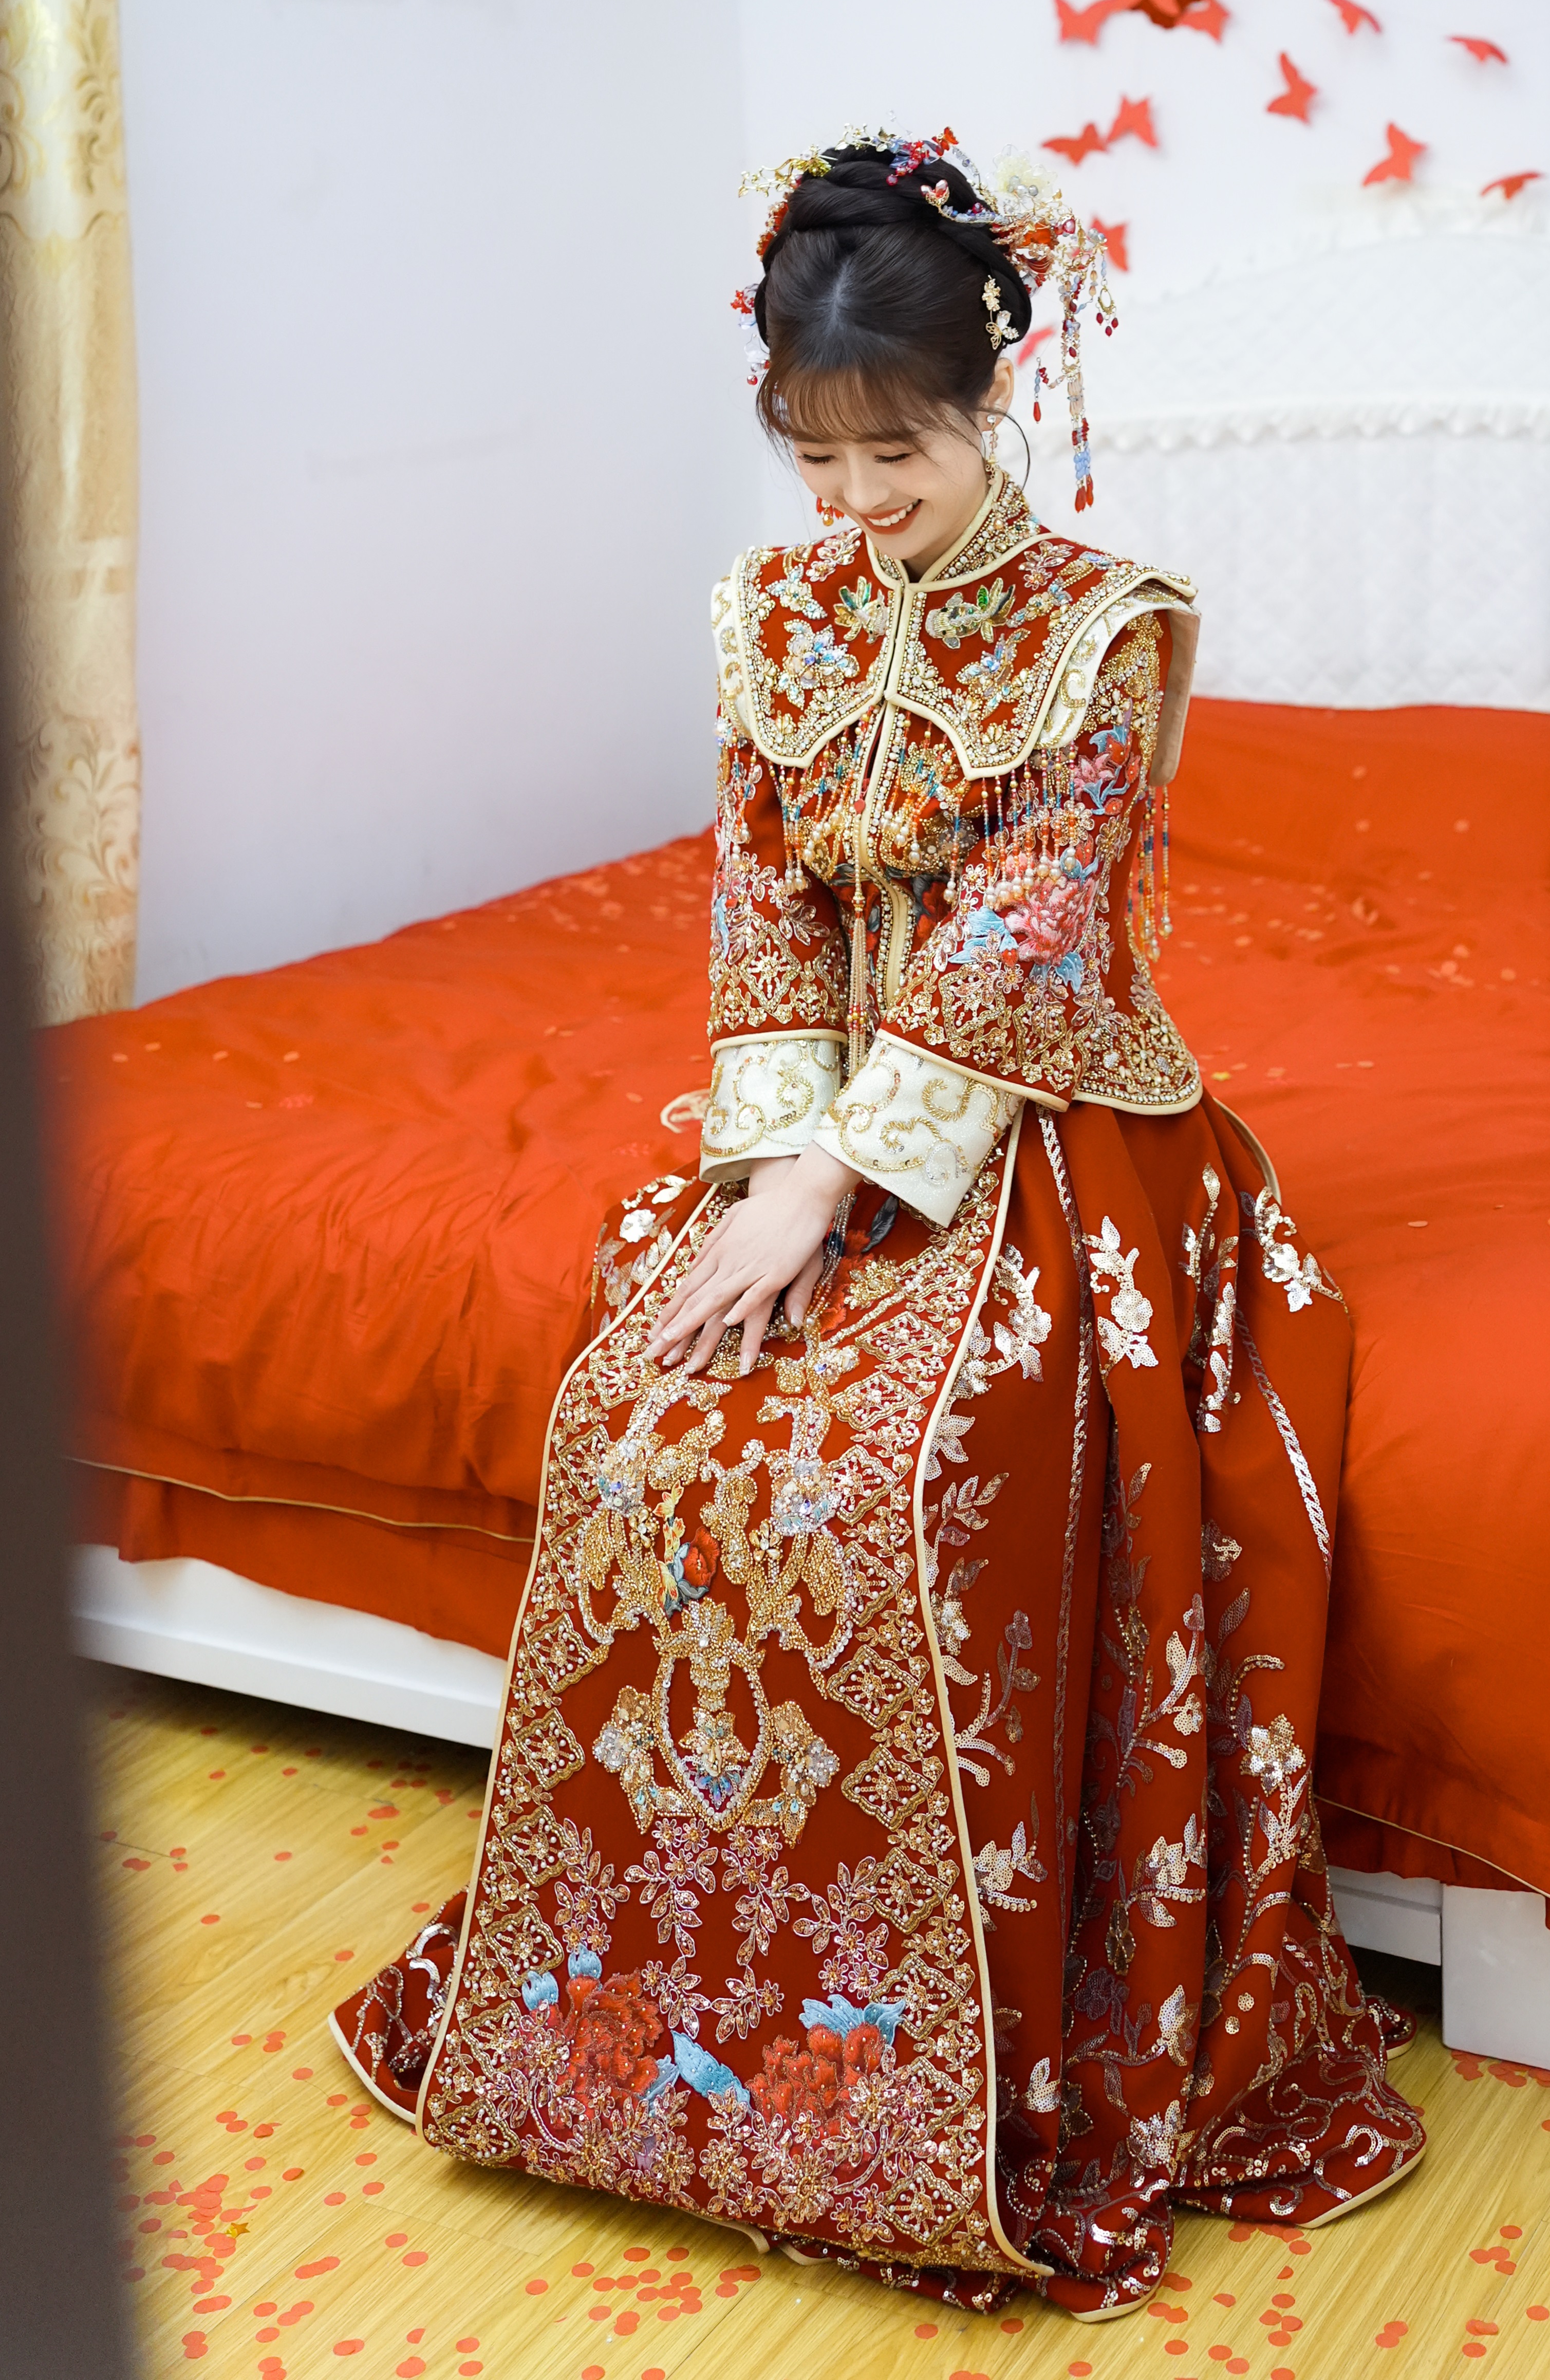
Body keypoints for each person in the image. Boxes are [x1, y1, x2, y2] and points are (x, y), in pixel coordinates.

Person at [332, 135, 1423, 2316]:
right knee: (651, 1412)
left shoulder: (1104, 626)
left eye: (894, 454)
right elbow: (760, 894)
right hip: (808, 1118)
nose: (853, 502)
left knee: (911, 1460)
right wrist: (763, 1169)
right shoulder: (773, 608)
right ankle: (665, 2025)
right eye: (815, 458)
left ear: (987, 392)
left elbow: (1033, 928)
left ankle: (928, 2062)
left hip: (1039, 1115)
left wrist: (845, 1174)